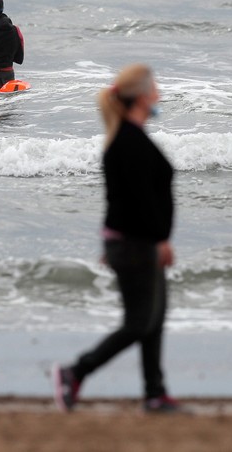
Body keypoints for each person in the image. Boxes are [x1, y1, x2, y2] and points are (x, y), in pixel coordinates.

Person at [52, 64, 180, 413]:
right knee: (140, 322)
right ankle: (76, 371)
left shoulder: (130, 137)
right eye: (154, 88)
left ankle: (155, 393)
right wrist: (158, 240)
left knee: (153, 320)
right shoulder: (128, 141)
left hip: (133, 242)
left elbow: (127, 198)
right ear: (140, 96)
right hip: (136, 243)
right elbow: (137, 201)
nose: (159, 94)